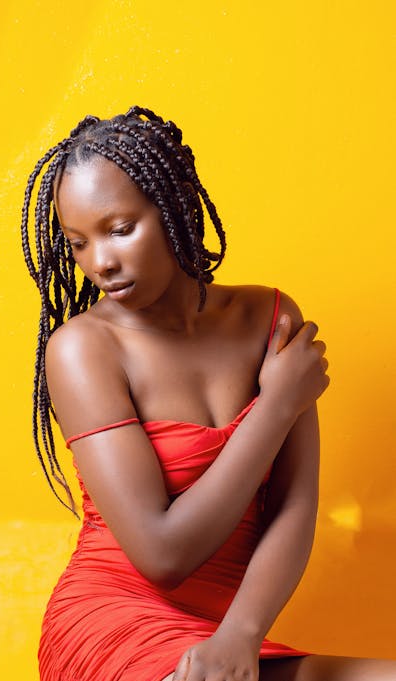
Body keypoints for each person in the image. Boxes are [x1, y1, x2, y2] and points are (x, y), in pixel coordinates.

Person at [20, 107, 395, 681]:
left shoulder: (268, 317)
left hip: (231, 632)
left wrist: (241, 635)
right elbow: (163, 555)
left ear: (173, 210)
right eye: (78, 244)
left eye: (120, 229)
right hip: (114, 621)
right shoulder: (81, 351)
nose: (101, 262)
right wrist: (276, 405)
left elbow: (293, 506)